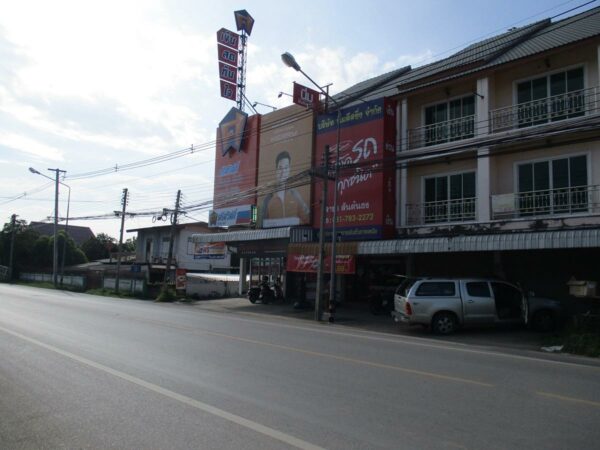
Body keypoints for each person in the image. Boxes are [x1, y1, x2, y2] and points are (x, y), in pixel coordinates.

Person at [261, 151, 310, 225]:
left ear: (289, 169)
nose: (283, 172)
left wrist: (295, 222)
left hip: (294, 235)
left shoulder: (295, 195)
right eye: (280, 168)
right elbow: (261, 224)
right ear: (276, 170)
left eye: (286, 168)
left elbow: (307, 219)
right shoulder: (268, 199)